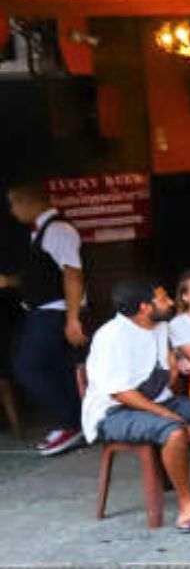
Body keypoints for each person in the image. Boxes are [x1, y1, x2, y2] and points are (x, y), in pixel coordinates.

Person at [81, 279, 190, 532]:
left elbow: (162, 376)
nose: (170, 302)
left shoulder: (159, 327)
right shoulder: (111, 337)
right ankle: (186, 502)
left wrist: (174, 363)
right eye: (163, 298)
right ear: (145, 307)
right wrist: (168, 414)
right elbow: (120, 393)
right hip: (114, 413)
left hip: (158, 400)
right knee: (174, 431)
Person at [1, 182, 87, 455]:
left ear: (28, 202)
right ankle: (76, 421)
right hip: (42, 310)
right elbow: (44, 273)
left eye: (14, 205)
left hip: (55, 311)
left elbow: (72, 273)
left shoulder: (58, 230)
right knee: (59, 370)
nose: (13, 212)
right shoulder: (39, 233)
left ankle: (70, 422)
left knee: (28, 367)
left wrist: (73, 318)